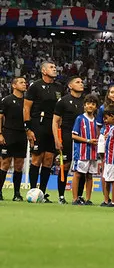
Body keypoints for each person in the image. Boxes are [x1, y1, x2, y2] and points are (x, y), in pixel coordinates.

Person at [24, 61, 61, 202]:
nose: (55, 69)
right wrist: (28, 128)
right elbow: (26, 108)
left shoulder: (59, 87)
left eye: (55, 67)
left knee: (48, 160)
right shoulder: (35, 86)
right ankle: (33, 190)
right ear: (44, 71)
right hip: (38, 125)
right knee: (37, 158)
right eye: (51, 67)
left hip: (52, 126)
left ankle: (43, 193)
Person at [53, 76, 86, 204]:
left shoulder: (85, 101)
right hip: (66, 137)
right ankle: (61, 196)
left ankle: (78, 196)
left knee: (82, 167)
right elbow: (55, 121)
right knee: (65, 165)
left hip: (82, 138)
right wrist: (56, 139)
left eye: (82, 82)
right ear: (70, 86)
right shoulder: (63, 101)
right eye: (78, 82)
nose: (81, 84)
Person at [0, 76, 28, 201]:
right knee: (5, 163)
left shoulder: (27, 101)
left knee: (19, 165)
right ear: (14, 85)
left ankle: (17, 193)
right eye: (21, 82)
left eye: (25, 82)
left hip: (22, 135)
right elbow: (0, 117)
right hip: (8, 134)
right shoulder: (6, 100)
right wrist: (0, 134)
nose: (24, 84)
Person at [70, 95, 100, 205]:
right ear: (84, 106)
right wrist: (88, 140)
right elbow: (74, 135)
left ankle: (88, 199)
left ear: (96, 107)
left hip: (92, 153)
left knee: (90, 175)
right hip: (82, 152)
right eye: (88, 103)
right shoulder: (80, 119)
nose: (90, 106)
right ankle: (75, 198)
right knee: (78, 174)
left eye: (93, 104)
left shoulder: (97, 121)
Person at [100, 107, 114, 207]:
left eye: (106, 118)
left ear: (112, 117)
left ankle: (113, 201)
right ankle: (106, 200)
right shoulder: (113, 128)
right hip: (108, 157)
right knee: (107, 179)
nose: (105, 120)